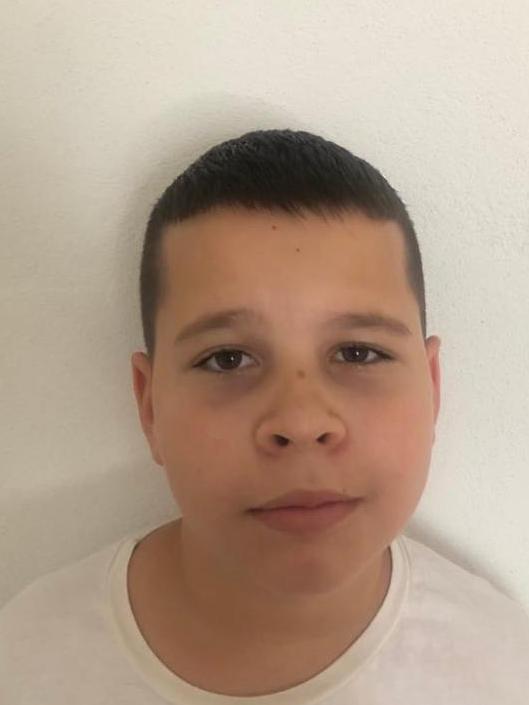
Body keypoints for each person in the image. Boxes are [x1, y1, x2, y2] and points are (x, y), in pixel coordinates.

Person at [1, 128, 528, 704]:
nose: (301, 421)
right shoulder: (22, 662)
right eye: (227, 359)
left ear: (432, 386)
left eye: (358, 353)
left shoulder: (506, 669)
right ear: (150, 406)